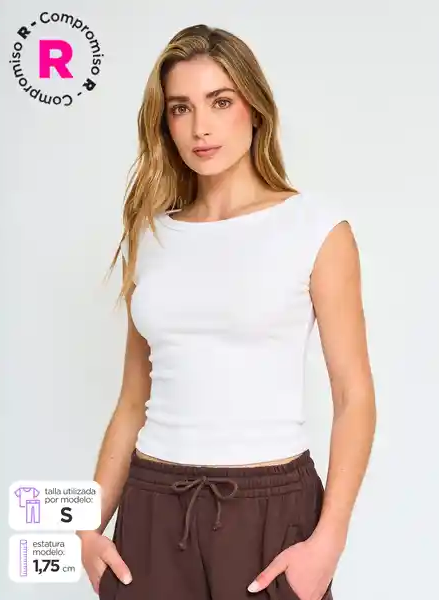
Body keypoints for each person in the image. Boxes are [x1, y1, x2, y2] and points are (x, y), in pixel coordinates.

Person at [78, 24, 376, 600]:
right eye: (180, 108)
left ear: (255, 109)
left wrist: (330, 540)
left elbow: (354, 395)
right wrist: (86, 527)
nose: (200, 127)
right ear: (164, 122)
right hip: (152, 505)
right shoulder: (151, 235)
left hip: (270, 508)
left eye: (220, 102)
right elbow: (132, 399)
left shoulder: (315, 228)